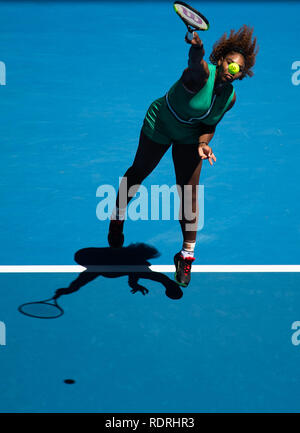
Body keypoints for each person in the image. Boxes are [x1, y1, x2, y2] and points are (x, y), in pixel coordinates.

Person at [108, 25, 259, 287]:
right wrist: (197, 47)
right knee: (139, 172)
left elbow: (210, 125)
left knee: (189, 192)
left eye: (239, 70)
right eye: (230, 65)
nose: (233, 72)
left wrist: (203, 144)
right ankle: (117, 216)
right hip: (161, 123)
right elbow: (195, 61)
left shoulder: (229, 98)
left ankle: (186, 255)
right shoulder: (200, 75)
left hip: (190, 135)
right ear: (220, 60)